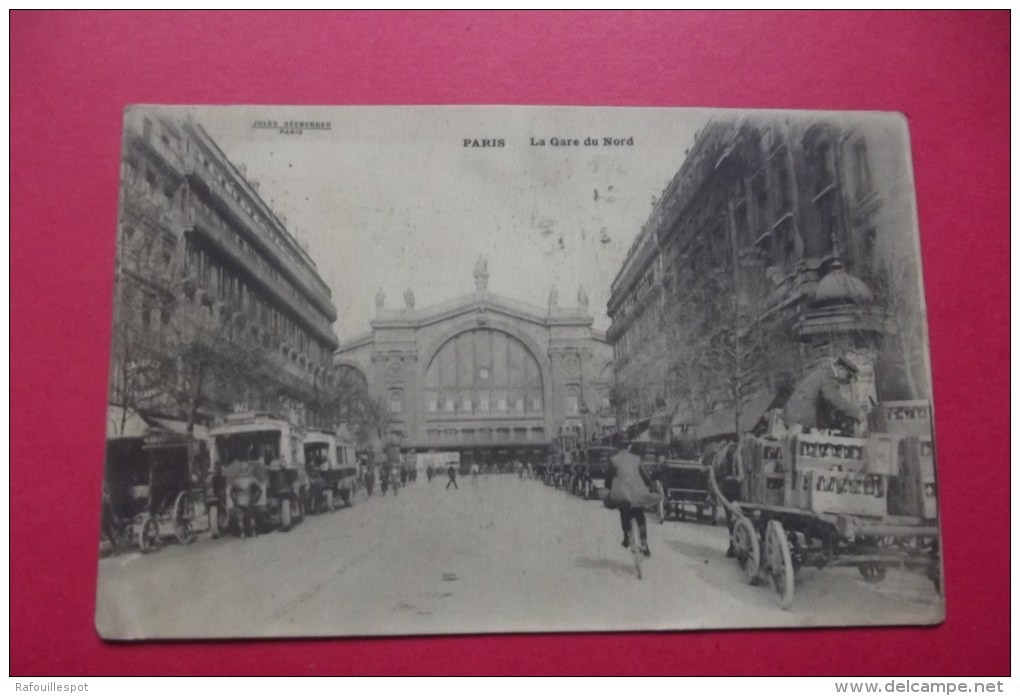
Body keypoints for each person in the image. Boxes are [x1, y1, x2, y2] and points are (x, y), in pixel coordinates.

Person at [782, 356, 865, 434]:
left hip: (792, 416)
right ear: (840, 369)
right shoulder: (829, 376)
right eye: (848, 376)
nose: (847, 381)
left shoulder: (820, 371)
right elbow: (834, 399)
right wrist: (857, 412)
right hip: (801, 419)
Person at [603, 445, 661, 557]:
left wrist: (609, 489)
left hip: (622, 492)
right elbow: (645, 476)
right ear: (629, 447)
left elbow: (608, 478)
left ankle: (625, 536)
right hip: (637, 491)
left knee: (623, 509)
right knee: (639, 513)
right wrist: (650, 485)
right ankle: (644, 540)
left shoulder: (613, 459)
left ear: (617, 447)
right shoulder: (636, 458)